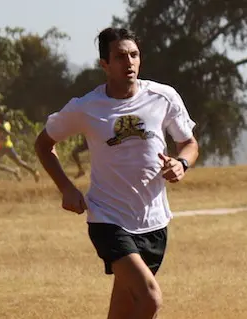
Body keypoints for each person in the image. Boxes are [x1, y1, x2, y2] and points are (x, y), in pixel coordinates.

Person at [33, 27, 198, 319]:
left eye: (134, 55)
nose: (129, 62)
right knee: (150, 299)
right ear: (105, 65)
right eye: (120, 56)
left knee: (126, 310)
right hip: (107, 219)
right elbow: (44, 145)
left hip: (154, 222)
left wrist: (181, 163)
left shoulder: (163, 97)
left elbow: (188, 143)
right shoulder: (86, 107)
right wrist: (67, 189)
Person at [0, 114, 40, 182]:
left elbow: (5, 137)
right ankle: (29, 171)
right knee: (18, 163)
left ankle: (29, 171)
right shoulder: (7, 124)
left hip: (6, 147)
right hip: (5, 147)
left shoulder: (3, 126)